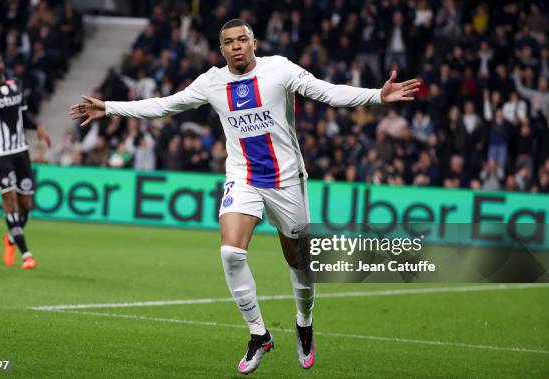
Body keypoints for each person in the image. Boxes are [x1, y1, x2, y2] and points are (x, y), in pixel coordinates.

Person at [69, 19, 419, 374]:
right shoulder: (212, 81)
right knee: (231, 252)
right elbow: (164, 105)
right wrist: (109, 107)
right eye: (228, 42)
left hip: (286, 181)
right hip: (243, 178)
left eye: (242, 40)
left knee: (298, 260)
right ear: (221, 49)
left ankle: (304, 322)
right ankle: (259, 335)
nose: (236, 46)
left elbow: (327, 91)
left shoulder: (279, 70)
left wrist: (377, 95)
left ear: (254, 43)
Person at [0, 48, 51, 269]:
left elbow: (23, 117)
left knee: (26, 205)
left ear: (1, 63)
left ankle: (11, 237)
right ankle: (26, 254)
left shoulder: (17, 85)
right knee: (10, 201)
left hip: (21, 152)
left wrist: (38, 127)